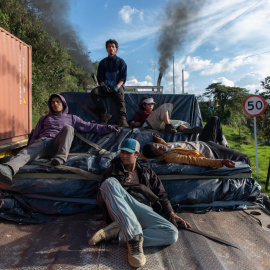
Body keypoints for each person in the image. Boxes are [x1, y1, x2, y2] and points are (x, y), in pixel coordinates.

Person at [88, 138, 191, 268]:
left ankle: (119, 233)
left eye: (128, 153)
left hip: (143, 210)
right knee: (109, 183)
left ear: (136, 154)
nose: (124, 156)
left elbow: (162, 195)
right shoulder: (112, 171)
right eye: (122, 152)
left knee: (171, 233)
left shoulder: (147, 172)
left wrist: (171, 214)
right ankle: (134, 241)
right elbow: (105, 196)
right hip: (122, 211)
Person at [0, 94, 119, 185]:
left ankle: (60, 158)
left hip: (58, 145)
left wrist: (108, 128)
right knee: (25, 153)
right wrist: (31, 146)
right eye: (52, 102)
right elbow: (35, 135)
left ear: (63, 104)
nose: (55, 104)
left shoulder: (72, 118)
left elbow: (90, 126)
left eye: (58, 102)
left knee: (68, 128)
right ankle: (8, 169)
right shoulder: (44, 118)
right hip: (42, 144)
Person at [141, 116, 250, 168]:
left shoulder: (164, 146)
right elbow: (195, 160)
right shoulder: (170, 157)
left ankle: (222, 144)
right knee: (244, 157)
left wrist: (159, 140)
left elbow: (164, 145)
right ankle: (251, 182)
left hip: (204, 141)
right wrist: (220, 162)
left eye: (158, 145)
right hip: (211, 151)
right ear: (157, 156)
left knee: (215, 119)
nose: (161, 147)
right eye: (159, 150)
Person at [91, 39, 129, 127]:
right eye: (109, 47)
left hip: (116, 86)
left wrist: (117, 86)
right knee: (95, 92)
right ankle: (105, 115)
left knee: (120, 95)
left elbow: (123, 77)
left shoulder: (121, 62)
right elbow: (100, 77)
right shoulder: (102, 63)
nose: (111, 48)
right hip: (105, 86)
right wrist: (103, 85)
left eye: (113, 46)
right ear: (106, 49)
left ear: (116, 49)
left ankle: (122, 119)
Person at [130, 95, 203, 134]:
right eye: (148, 104)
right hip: (148, 124)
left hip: (159, 124)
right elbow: (132, 122)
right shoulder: (140, 113)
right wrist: (135, 123)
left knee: (178, 122)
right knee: (165, 106)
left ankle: (186, 130)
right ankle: (168, 126)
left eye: (152, 104)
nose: (151, 106)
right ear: (144, 105)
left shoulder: (154, 112)